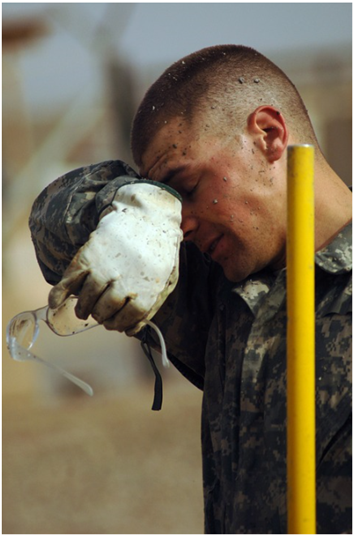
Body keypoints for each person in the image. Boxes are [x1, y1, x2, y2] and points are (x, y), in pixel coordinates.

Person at [29, 45, 352, 534]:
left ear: (268, 135)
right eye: (166, 202)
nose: (181, 224)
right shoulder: (220, 285)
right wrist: (129, 206)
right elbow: (50, 226)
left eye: (186, 187)